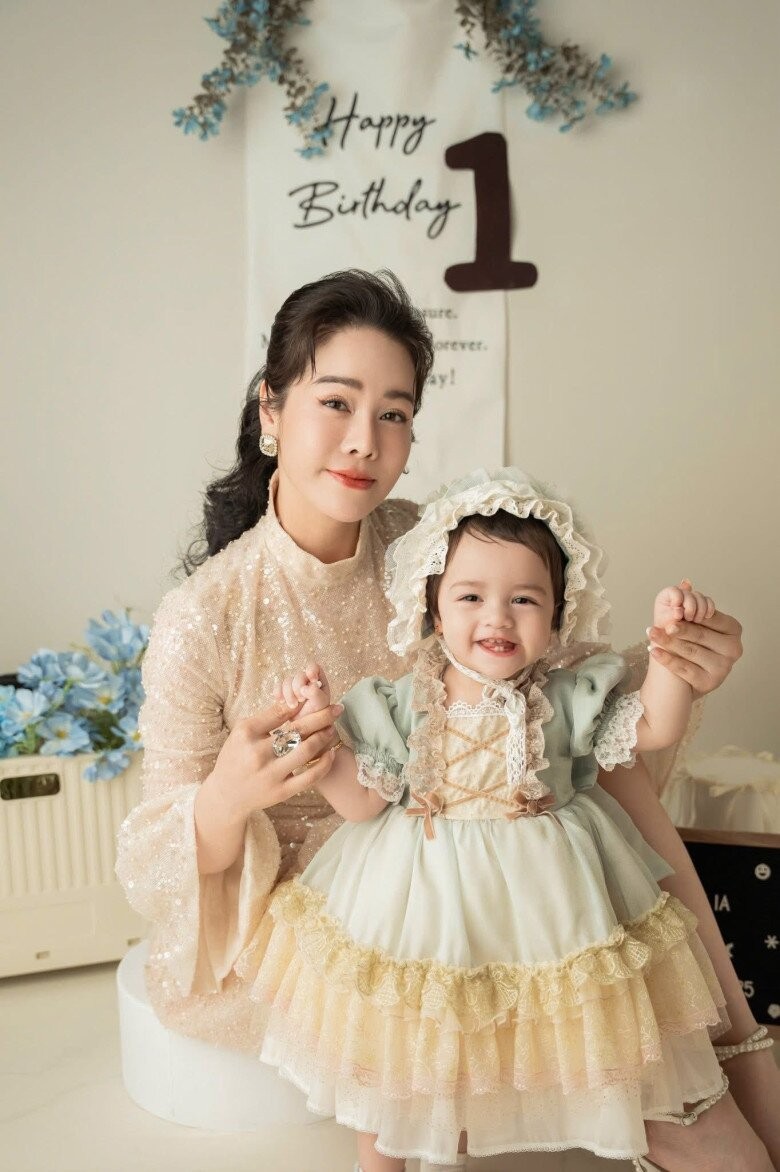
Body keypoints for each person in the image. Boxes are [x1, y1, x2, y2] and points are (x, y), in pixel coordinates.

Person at [115, 270, 776, 1171]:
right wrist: (228, 796)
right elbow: (154, 862)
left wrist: (676, 663)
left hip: (489, 855)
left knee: (587, 750)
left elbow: (556, 675)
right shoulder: (204, 614)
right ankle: (697, 1074)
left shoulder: (423, 536)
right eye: (336, 402)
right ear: (271, 408)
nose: (364, 439)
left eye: (394, 413)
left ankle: (730, 1037)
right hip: (330, 915)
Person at [242, 467, 745, 1170]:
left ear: (557, 614)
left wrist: (670, 651)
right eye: (471, 596)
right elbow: (361, 802)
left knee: (569, 1019)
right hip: (420, 892)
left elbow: (654, 727)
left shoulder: (566, 696)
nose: (498, 618)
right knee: (399, 1051)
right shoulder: (401, 702)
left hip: (550, 896)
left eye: (525, 599)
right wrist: (317, 740)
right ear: (433, 608)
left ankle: (602, 1124)